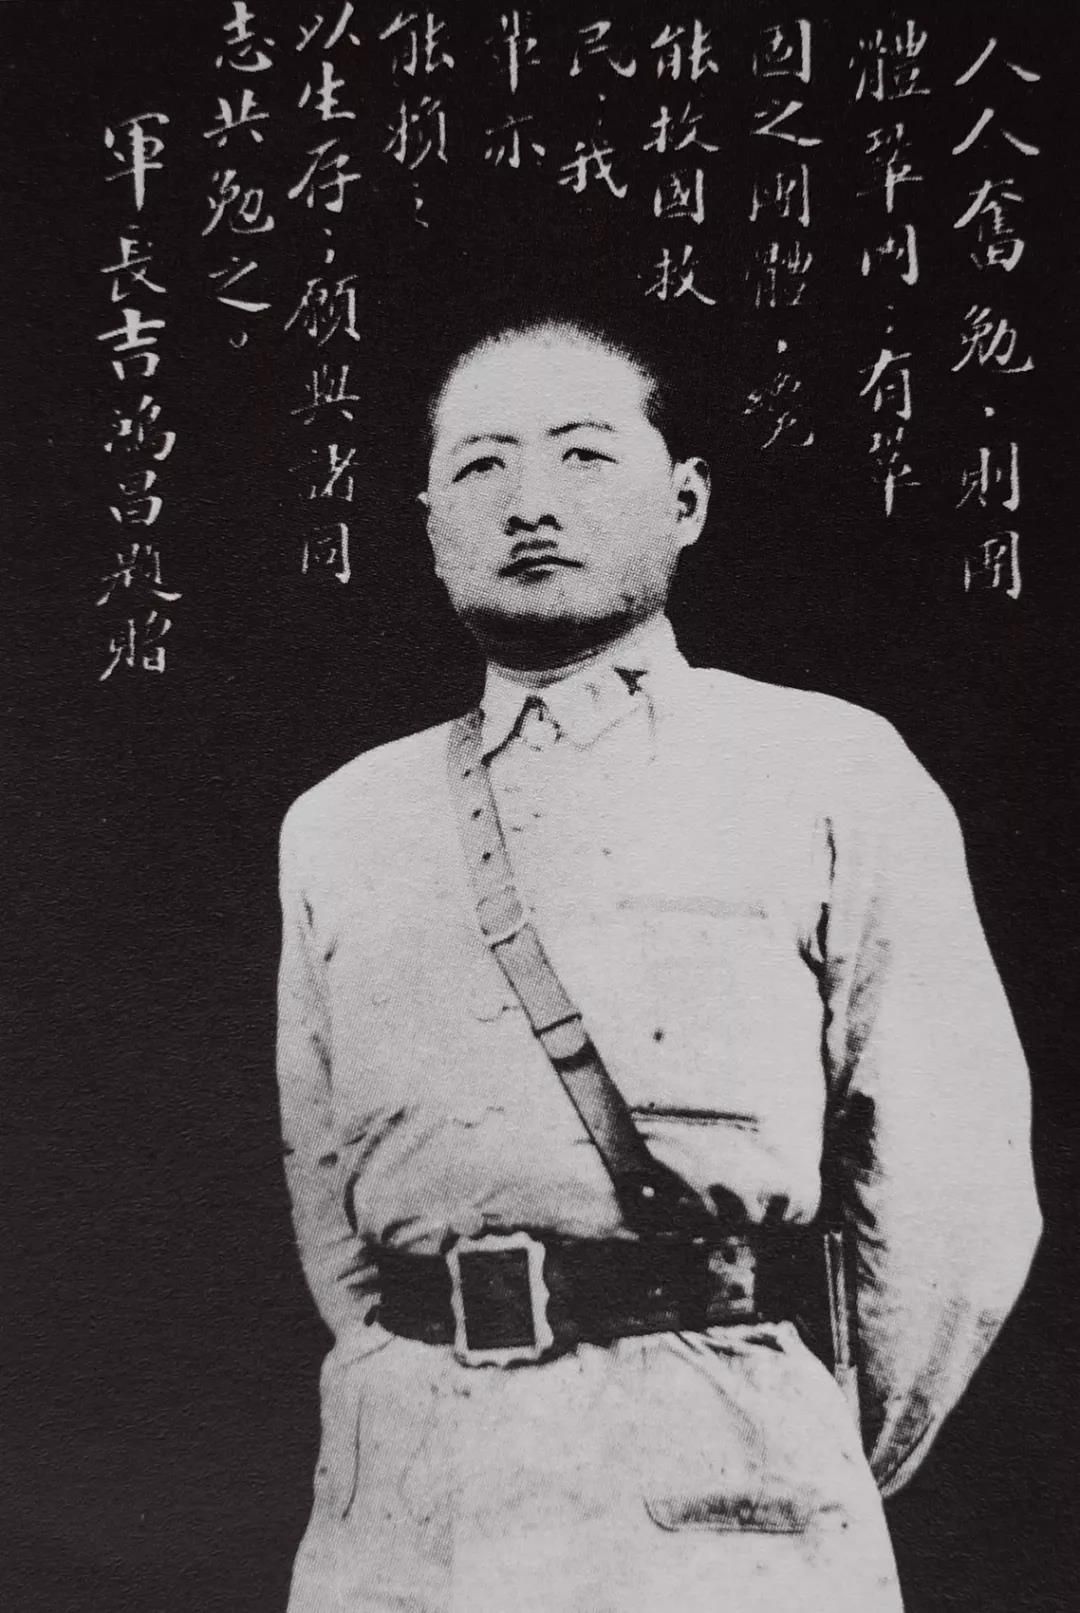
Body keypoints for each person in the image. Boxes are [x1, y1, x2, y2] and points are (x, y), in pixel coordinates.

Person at [275, 314, 1041, 1613]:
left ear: (686, 501)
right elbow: (327, 1195)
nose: (528, 502)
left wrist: (797, 1452)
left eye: (583, 455)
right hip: (404, 1505)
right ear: (428, 521)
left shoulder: (828, 770)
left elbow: (950, 1201)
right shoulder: (342, 821)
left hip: (720, 1493)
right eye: (480, 465)